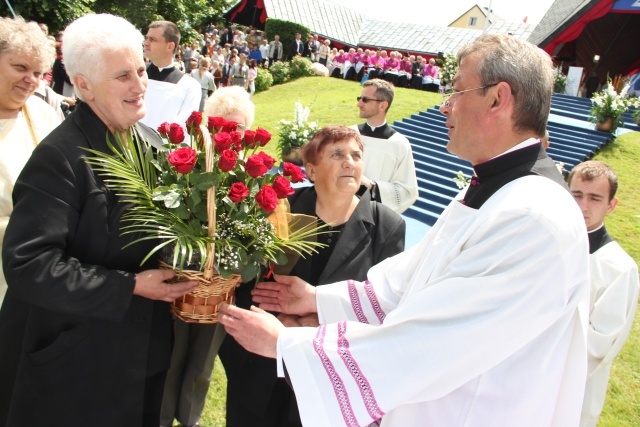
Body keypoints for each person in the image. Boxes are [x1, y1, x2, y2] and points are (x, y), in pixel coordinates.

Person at [219, 34, 590, 427]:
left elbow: (434, 344)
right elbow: (411, 281)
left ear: (498, 99)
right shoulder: (496, 189)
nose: (445, 106)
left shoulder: (533, 218)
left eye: (456, 91)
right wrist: (316, 299)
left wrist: (286, 344)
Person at [0, 14, 198, 427]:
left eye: (141, 70)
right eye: (123, 75)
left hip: (142, 355)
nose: (140, 84)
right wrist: (128, 287)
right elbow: (28, 267)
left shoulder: (151, 141)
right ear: (84, 85)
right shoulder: (59, 157)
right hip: (75, 367)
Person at [220, 126, 405, 427]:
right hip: (259, 368)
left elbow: (384, 306)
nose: (350, 162)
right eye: (337, 154)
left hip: (327, 378)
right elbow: (244, 277)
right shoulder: (280, 208)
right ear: (312, 169)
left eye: (357, 155)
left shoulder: (387, 226)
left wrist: (312, 324)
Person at [159, 85, 255, 427]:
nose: (232, 134)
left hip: (220, 292)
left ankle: (188, 419)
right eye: (223, 125)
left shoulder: (255, 181)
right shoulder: (185, 168)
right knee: (168, 357)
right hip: (179, 283)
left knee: (201, 363)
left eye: (239, 127)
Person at [567, 161, 639, 427]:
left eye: (595, 198)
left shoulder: (619, 269)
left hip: (574, 387)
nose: (583, 206)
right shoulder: (549, 244)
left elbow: (598, 344)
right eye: (577, 195)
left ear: (612, 205)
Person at [0, 17, 60, 306]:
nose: (31, 80)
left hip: (33, 261)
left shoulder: (44, 115)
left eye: (38, 72)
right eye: (20, 67)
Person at [352, 79, 418, 214]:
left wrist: (373, 186)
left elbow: (407, 191)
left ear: (382, 105)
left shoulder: (399, 144)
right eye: (359, 98)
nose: (359, 104)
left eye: (365, 100)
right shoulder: (350, 134)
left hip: (373, 214)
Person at [142, 20, 200, 133]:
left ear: (170, 46)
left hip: (163, 148)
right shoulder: (135, 76)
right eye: (147, 38)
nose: (146, 43)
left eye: (152, 39)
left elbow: (182, 127)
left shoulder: (189, 86)